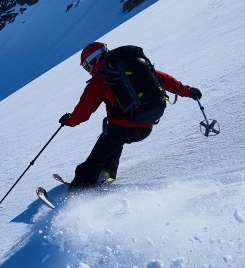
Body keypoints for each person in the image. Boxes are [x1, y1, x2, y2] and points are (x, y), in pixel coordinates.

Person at [59, 41, 201, 191]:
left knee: (95, 159)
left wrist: (69, 120)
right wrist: (189, 91)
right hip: (145, 126)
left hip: (122, 128)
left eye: (87, 66)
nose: (88, 70)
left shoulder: (101, 78)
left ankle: (77, 192)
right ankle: (107, 172)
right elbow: (163, 79)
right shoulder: (134, 68)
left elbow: (83, 111)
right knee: (111, 140)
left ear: (94, 59)